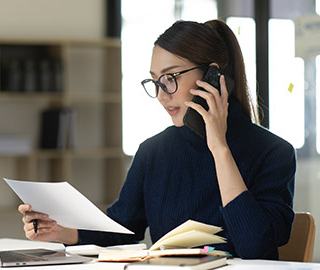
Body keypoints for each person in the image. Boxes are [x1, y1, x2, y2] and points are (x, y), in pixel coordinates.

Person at [19, 19, 296, 260]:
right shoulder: (153, 152)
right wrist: (62, 231)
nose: (162, 94)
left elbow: (255, 247)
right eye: (155, 81)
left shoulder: (274, 153)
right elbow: (123, 228)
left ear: (212, 77)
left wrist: (219, 148)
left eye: (171, 77)